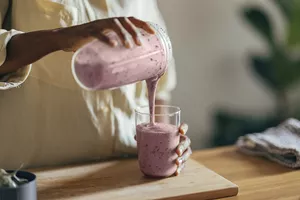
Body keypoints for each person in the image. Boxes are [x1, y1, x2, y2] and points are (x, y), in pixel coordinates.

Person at [0, 0, 191, 175]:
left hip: (128, 174)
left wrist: (165, 148)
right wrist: (61, 37)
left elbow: (161, 81)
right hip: (35, 179)